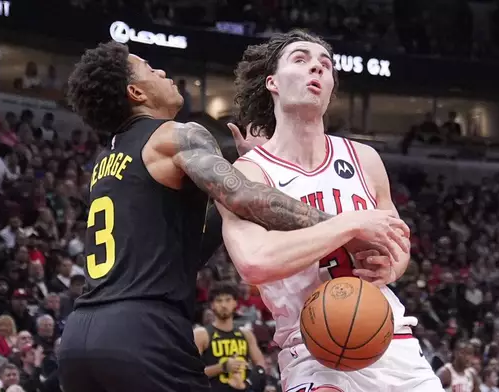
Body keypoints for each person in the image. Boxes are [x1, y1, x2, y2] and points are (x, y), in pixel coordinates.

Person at [57, 41, 402, 392]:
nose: (162, 72)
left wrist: (239, 167)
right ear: (135, 91)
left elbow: (189, 251)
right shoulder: (176, 134)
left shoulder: (107, 163)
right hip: (143, 331)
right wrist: (344, 224)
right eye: (149, 68)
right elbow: (243, 195)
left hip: (79, 338)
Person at [218, 30, 441, 392]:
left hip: (389, 339)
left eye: (325, 65)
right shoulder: (250, 172)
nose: (316, 69)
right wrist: (350, 223)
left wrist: (391, 264)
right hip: (313, 349)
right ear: (272, 81)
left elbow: (399, 244)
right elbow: (254, 262)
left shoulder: (364, 159)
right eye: (301, 59)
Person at [194, 282, 266, 391]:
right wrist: (222, 367)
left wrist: (247, 384)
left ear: (235, 303)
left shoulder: (246, 334)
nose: (223, 305)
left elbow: (261, 368)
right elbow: (191, 372)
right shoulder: (201, 334)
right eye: (219, 301)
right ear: (212, 305)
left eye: (228, 300)